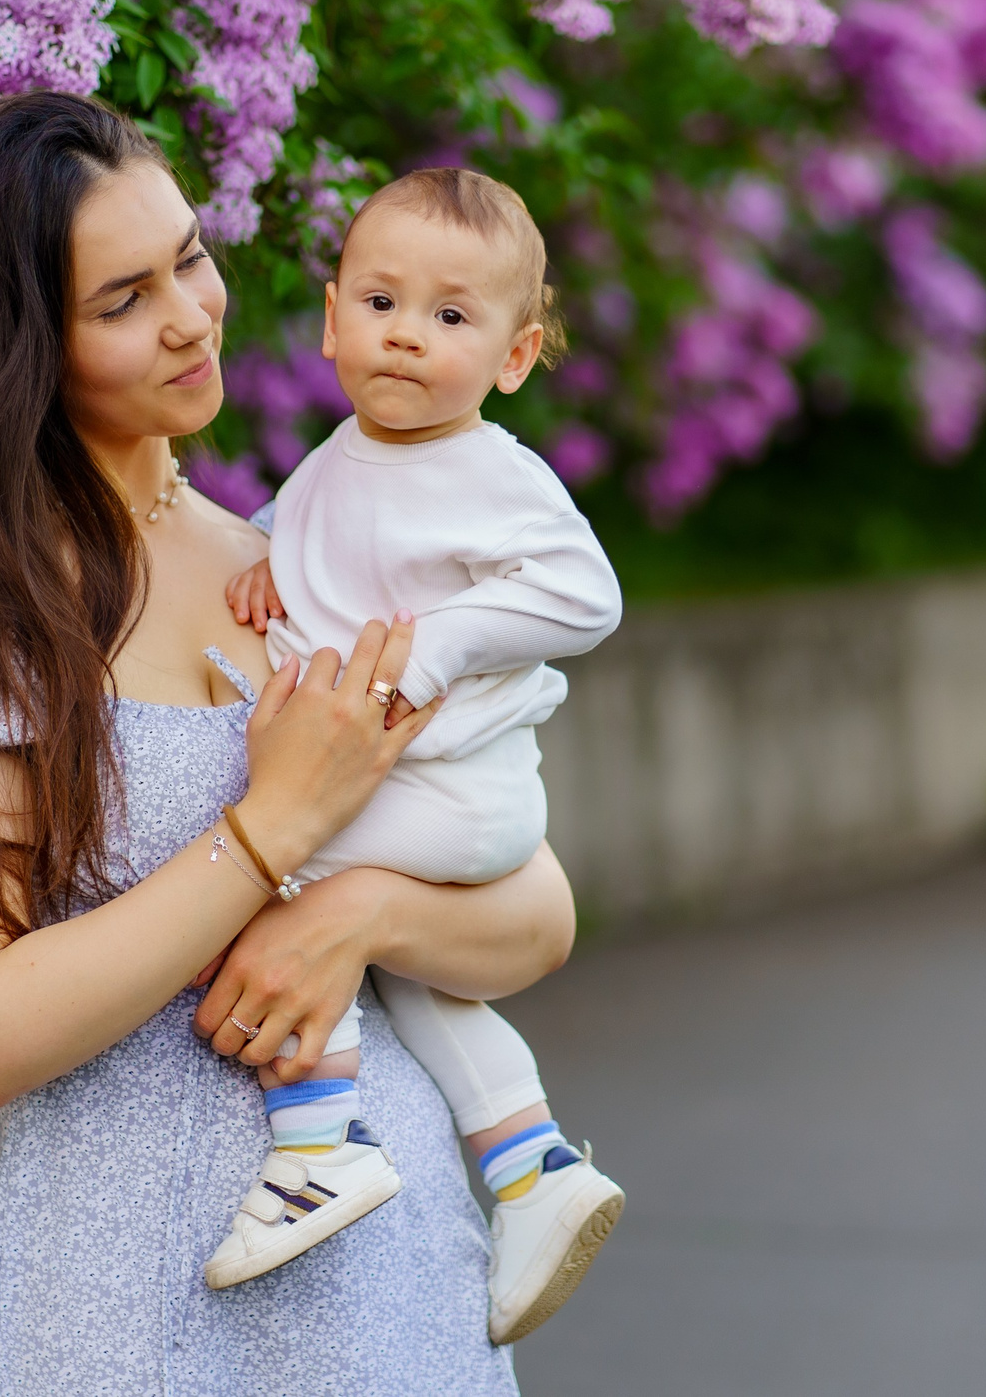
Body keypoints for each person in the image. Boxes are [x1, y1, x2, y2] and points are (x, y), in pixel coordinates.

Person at [0, 93, 573, 1394]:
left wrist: (358, 910)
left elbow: (535, 911)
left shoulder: (292, 566)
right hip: (126, 1306)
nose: (194, 314)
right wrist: (270, 836)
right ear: (21, 344)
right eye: (124, 298)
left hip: (397, 1301)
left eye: (192, 257)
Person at [204, 168, 626, 1346]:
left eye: (451, 316)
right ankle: (533, 1166)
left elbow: (587, 597)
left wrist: (435, 651)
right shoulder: (340, 454)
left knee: (262, 873)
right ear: (332, 316)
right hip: (415, 791)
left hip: (453, 794)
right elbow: (321, 542)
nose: (406, 334)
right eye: (382, 301)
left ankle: (315, 1148)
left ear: (514, 354)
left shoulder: (493, 475)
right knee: (412, 977)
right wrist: (271, 561)